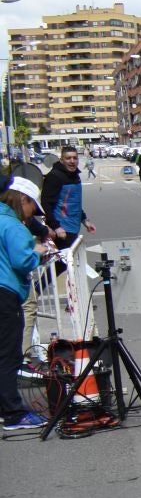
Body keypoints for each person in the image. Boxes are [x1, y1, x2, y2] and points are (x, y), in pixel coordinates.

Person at [0, 181, 47, 431]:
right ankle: (13, 414)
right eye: (32, 207)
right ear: (23, 200)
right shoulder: (12, 225)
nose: (32, 214)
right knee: (8, 354)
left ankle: (4, 407)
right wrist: (38, 252)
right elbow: (22, 261)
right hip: (5, 293)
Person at [38, 146, 94, 248]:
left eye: (75, 158)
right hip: (62, 230)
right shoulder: (54, 177)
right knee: (65, 262)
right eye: (68, 158)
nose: (72, 161)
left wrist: (85, 220)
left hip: (73, 227)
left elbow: (74, 202)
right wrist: (56, 227)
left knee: (72, 260)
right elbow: (46, 204)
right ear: (61, 160)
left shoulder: (75, 175)